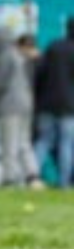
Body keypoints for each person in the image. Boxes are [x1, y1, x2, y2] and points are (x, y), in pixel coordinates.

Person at [0, 27, 35, 188]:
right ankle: (32, 174)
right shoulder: (18, 55)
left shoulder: (5, 56)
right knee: (23, 142)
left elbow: (0, 84)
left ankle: (10, 178)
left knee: (9, 144)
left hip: (9, 106)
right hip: (26, 104)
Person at [34, 17, 74, 188]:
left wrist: (38, 96)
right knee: (67, 144)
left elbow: (39, 73)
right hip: (69, 106)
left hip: (46, 103)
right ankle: (64, 183)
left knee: (44, 141)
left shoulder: (53, 46)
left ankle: (31, 177)